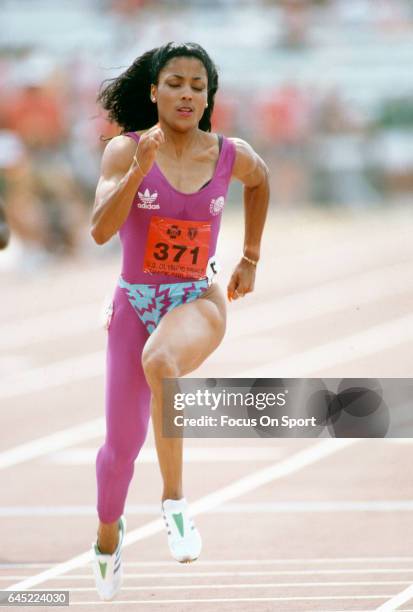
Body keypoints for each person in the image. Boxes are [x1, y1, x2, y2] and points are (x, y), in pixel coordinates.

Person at [90, 41, 269, 601]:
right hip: (133, 303)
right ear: (154, 91)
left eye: (198, 85)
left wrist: (250, 257)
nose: (187, 93)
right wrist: (138, 170)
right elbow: (99, 230)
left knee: (162, 360)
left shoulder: (228, 154)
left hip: (198, 300)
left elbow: (261, 182)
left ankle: (174, 504)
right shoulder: (125, 151)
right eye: (175, 83)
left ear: (209, 95)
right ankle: (106, 538)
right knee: (120, 448)